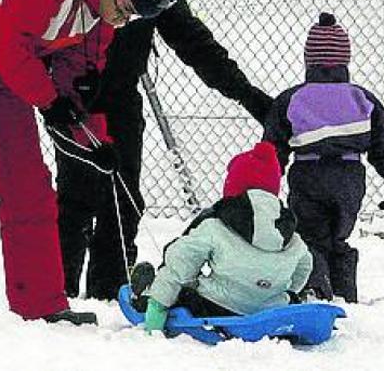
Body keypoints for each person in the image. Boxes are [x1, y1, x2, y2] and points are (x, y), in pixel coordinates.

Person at [0, 0, 187, 328]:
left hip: (13, 72)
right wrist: (48, 100)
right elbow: (9, 41)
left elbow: (76, 79)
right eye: (127, 6)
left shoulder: (100, 15)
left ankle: (42, 301)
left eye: (134, 15)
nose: (124, 18)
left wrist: (95, 142)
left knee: (30, 187)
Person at [57, 0, 274, 301]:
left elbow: (195, 44)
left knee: (124, 199)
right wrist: (56, 98)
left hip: (122, 100)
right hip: (75, 99)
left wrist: (248, 96)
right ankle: (58, 292)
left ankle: (109, 292)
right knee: (75, 197)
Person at [128, 142, 313, 331]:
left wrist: (157, 306)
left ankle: (145, 296)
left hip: (216, 308)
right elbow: (305, 265)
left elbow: (181, 261)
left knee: (181, 288)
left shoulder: (216, 226)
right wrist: (282, 290)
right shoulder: (289, 233)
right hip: (270, 311)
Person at [264, 13, 384, 303]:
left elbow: (272, 149)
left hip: (309, 174)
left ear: (309, 60)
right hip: (350, 177)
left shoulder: (292, 99)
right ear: (345, 60)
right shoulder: (363, 99)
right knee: (337, 238)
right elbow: (381, 146)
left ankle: (317, 292)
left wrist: (265, 188)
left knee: (311, 237)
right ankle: (345, 294)